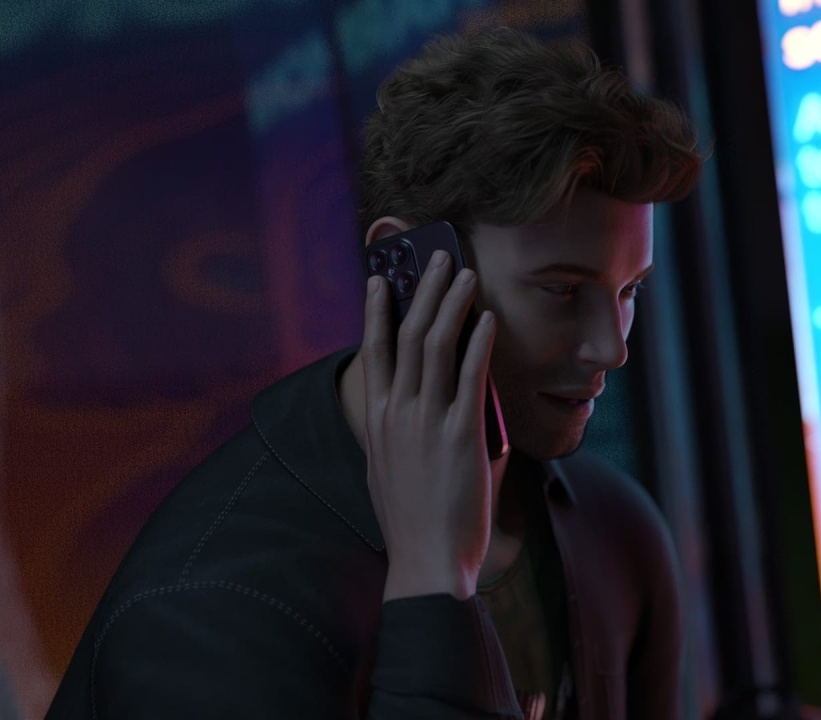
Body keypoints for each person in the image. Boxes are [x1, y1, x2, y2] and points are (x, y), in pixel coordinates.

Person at [45, 27, 702, 720]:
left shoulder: (616, 533)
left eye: (629, 291)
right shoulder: (208, 611)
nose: (611, 347)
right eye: (562, 291)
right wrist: (432, 580)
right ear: (409, 266)